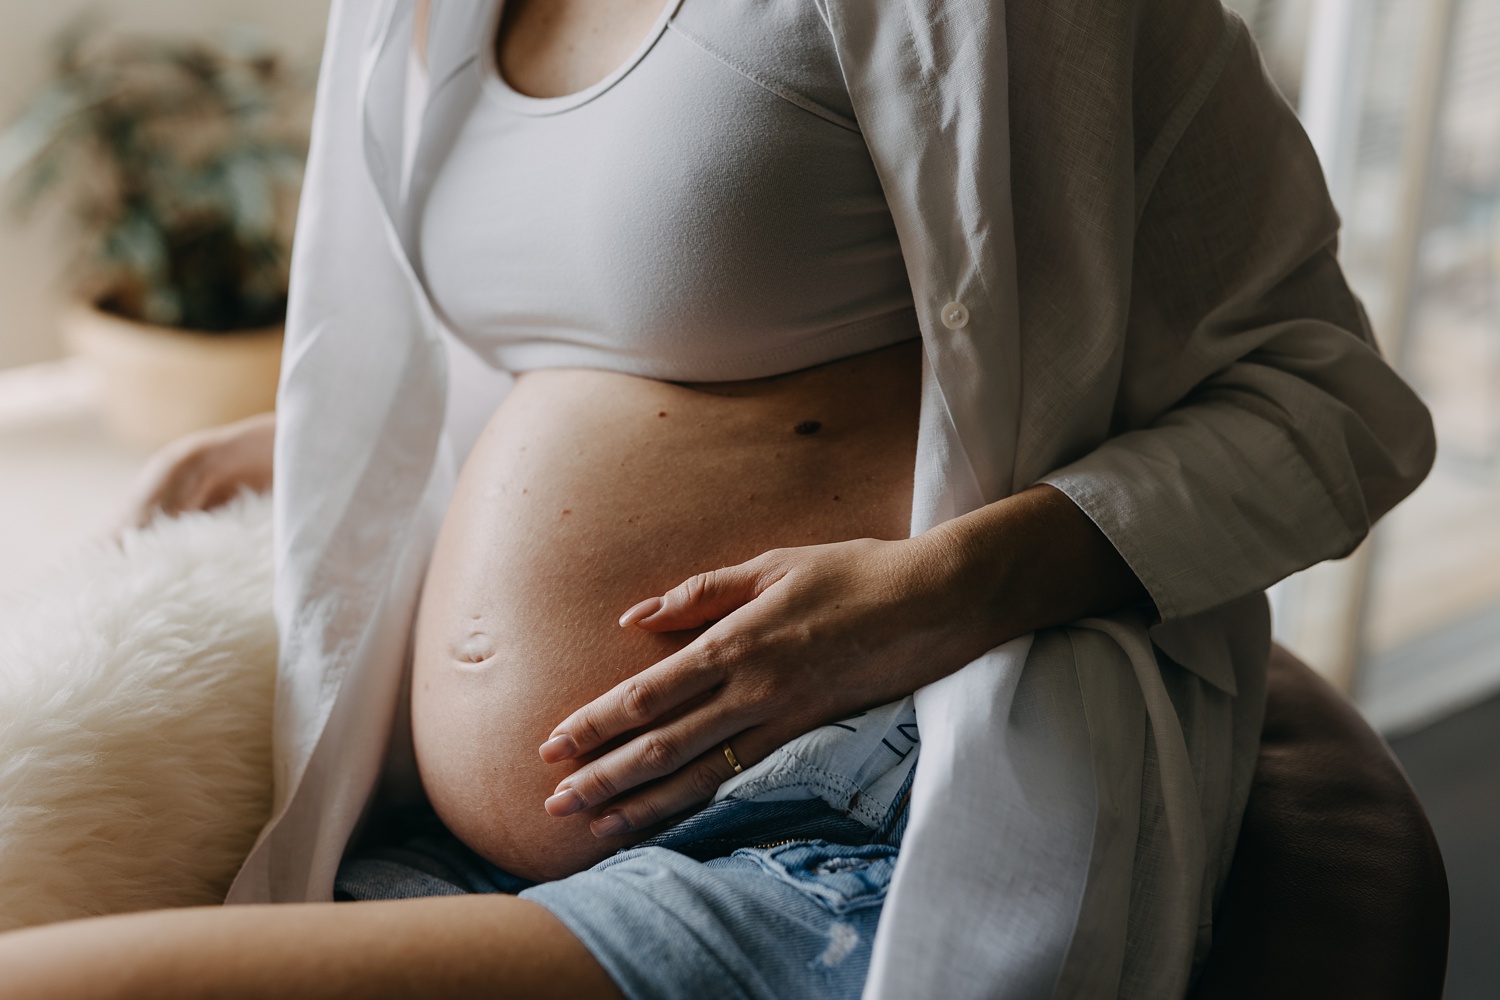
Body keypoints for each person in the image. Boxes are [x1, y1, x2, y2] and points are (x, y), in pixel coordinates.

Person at [0, 1, 1435, 998]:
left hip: (832, 848)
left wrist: (935, 592)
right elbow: (585, 336)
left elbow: (1335, 408)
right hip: (458, 842)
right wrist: (322, 442)